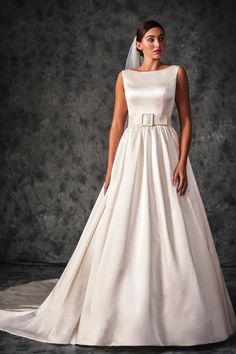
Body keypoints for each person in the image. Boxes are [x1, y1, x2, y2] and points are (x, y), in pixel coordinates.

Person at [0, 19, 235, 347]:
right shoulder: (125, 78)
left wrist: (181, 162)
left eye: (161, 39)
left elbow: (187, 121)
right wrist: (111, 169)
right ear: (138, 45)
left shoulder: (177, 73)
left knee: (171, 224)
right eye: (151, 39)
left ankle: (177, 312)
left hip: (165, 152)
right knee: (126, 221)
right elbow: (116, 123)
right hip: (132, 151)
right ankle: (121, 307)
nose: (157, 44)